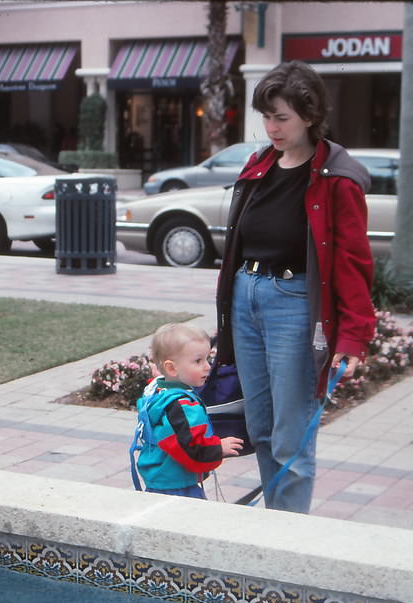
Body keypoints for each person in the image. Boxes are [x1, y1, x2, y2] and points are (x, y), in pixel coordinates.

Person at [213, 60, 376, 514]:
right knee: (260, 429)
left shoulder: (338, 178)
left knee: (292, 440)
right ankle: (272, 532)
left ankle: (289, 544)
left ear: (309, 114)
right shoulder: (259, 164)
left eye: (281, 117)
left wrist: (353, 336)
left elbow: (354, 262)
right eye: (266, 116)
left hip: (293, 306)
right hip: (247, 300)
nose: (271, 127)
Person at [134, 323, 245, 499]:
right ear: (171, 368)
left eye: (207, 358)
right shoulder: (183, 405)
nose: (208, 366)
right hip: (179, 486)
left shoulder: (157, 392)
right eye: (198, 361)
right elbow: (193, 449)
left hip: (160, 478)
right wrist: (219, 448)